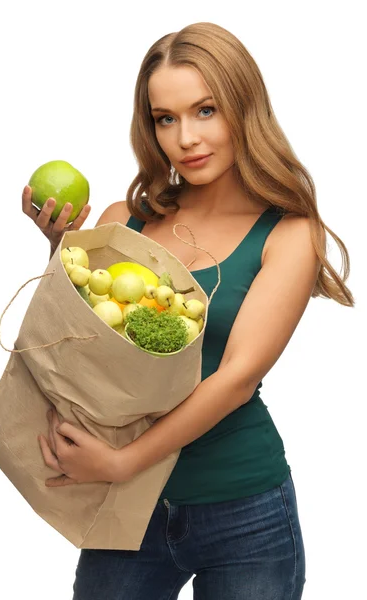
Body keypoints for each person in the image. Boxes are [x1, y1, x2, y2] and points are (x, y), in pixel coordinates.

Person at [22, 22, 354, 600]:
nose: (185, 138)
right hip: (128, 508)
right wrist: (59, 248)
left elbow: (236, 380)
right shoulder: (124, 218)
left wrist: (123, 462)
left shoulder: (288, 234)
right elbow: (78, 341)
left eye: (205, 110)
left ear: (243, 109)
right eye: (165, 118)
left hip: (243, 509)